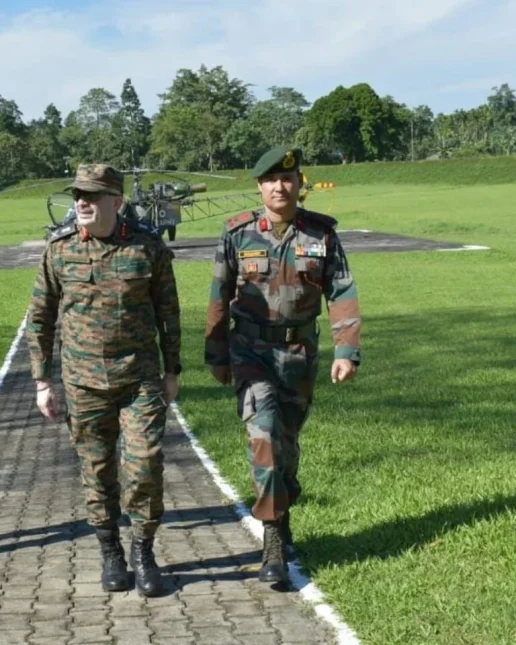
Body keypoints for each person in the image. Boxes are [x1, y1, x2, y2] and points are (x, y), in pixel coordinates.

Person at [204, 147, 361, 584]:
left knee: (286, 443)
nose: (279, 186)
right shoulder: (238, 234)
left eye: (287, 177)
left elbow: (342, 292)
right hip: (250, 352)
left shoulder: (321, 235)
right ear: (259, 185)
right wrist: (216, 353)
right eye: (270, 178)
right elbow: (219, 295)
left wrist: (346, 350)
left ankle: (283, 508)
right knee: (264, 437)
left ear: (299, 182)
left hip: (299, 357)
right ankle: (272, 539)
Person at [26, 164, 182, 597]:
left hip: (140, 381)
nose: (81, 202)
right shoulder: (58, 250)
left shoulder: (147, 247)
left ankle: (144, 550)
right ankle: (111, 550)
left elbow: (168, 313)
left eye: (92, 196)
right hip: (83, 381)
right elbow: (39, 317)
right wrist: (43, 381)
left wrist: (173, 370)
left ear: (116, 202)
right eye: (78, 195)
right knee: (97, 470)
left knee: (146, 465)